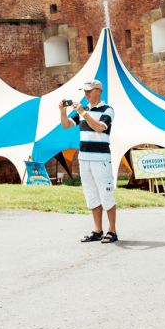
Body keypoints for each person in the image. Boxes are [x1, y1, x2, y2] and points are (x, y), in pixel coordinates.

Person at [59, 79, 117, 243]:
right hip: (84, 159)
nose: (86, 94)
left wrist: (84, 113)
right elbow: (66, 125)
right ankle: (98, 230)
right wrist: (62, 111)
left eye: (89, 91)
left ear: (98, 90)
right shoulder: (84, 110)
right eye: (84, 91)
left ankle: (112, 230)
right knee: (91, 195)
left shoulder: (108, 109)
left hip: (101, 159)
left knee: (106, 194)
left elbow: (99, 127)